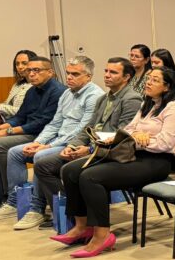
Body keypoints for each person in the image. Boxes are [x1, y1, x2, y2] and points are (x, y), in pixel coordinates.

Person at [53, 67, 175, 257]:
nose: (148, 82)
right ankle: (82, 226)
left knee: (90, 177)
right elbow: (128, 130)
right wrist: (136, 136)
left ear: (167, 87)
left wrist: (139, 139)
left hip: (158, 162)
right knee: (70, 170)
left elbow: (165, 144)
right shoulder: (148, 104)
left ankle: (102, 235)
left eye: (155, 80)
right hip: (133, 154)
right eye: (148, 78)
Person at [0, 56, 104, 227]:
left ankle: (37, 209)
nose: (69, 77)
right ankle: (14, 201)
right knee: (15, 152)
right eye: (68, 73)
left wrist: (47, 146)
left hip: (76, 145)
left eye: (75, 74)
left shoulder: (94, 96)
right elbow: (54, 123)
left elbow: (82, 130)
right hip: (57, 139)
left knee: (40, 156)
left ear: (88, 76)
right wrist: (38, 142)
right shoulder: (67, 93)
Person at [31, 57, 141, 231]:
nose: (107, 75)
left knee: (70, 170)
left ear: (126, 77)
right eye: (106, 71)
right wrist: (72, 145)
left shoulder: (131, 99)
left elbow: (121, 136)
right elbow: (87, 128)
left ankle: (78, 219)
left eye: (113, 72)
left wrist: (89, 149)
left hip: (111, 153)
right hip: (92, 148)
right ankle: (68, 216)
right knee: (43, 165)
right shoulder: (104, 98)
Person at [0, 56, 64, 209]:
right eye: (29, 70)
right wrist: (2, 127)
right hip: (30, 131)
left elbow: (43, 123)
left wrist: (8, 131)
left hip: (44, 134)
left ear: (50, 72)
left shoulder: (58, 91)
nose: (31, 74)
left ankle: (12, 196)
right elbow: (20, 116)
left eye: (36, 70)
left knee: (0, 144)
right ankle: (4, 193)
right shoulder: (31, 91)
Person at [0, 50, 34, 119]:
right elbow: (6, 104)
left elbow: (23, 111)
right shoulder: (17, 85)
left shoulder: (37, 86)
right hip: (9, 120)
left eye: (24, 63)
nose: (20, 67)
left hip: (24, 122)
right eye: (17, 64)